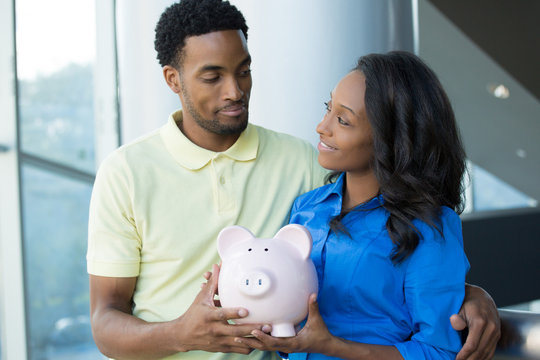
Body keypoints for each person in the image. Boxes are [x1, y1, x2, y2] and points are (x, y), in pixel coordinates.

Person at [87, 1, 499, 359]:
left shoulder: (304, 162)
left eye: (244, 71)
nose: (235, 91)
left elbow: (398, 228)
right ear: (173, 80)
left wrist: (468, 294)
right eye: (212, 77)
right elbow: (105, 322)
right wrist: (182, 333)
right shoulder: (125, 173)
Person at [232, 51, 499, 360]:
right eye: (328, 109)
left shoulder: (429, 227)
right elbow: (288, 319)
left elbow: (438, 351)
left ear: (391, 138)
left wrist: (331, 346)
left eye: (343, 120)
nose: (322, 126)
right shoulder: (307, 209)